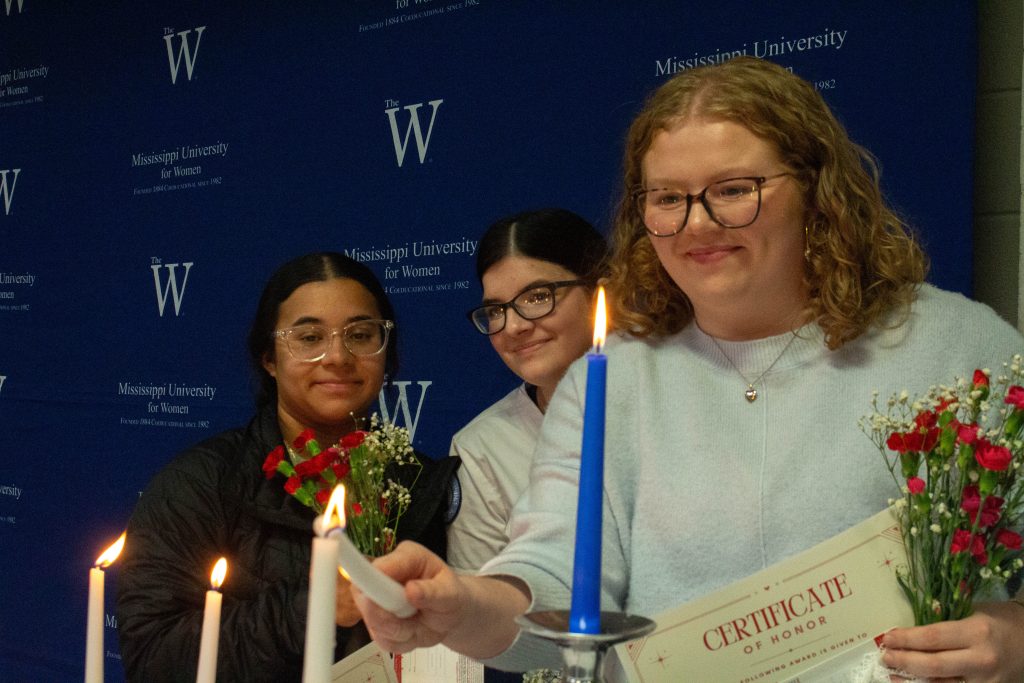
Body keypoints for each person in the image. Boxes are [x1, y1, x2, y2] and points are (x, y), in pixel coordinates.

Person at [352, 56, 1024, 681]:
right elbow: (558, 584)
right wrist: (460, 603)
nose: (695, 226)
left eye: (733, 190)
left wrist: (1017, 639)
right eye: (667, 198)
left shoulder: (959, 347)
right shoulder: (612, 376)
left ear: (819, 190)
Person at [117, 252, 459, 683]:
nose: (338, 356)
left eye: (360, 334)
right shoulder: (201, 483)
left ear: (386, 354)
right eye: (310, 337)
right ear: (269, 358)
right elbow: (154, 658)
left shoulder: (421, 485)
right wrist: (316, 605)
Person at [448, 208, 608, 572]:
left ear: (600, 292)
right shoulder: (482, 448)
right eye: (496, 310)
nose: (514, 326)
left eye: (537, 297)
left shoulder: (670, 397)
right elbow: (483, 602)